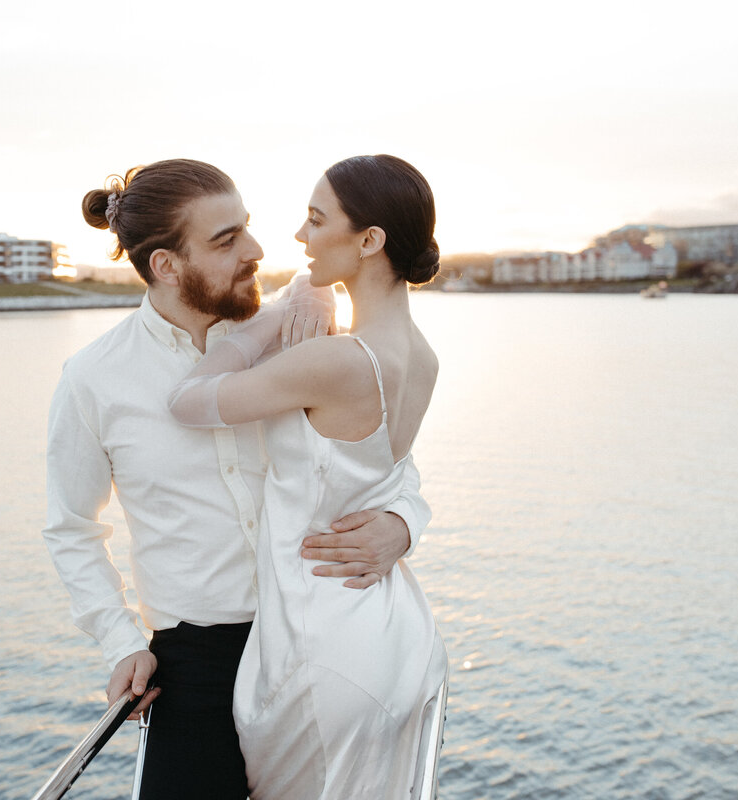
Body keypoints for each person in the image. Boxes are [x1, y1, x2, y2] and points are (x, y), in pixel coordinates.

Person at [42, 158, 432, 798]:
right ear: (167, 265)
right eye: (226, 241)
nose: (256, 251)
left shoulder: (300, 332)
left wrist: (401, 524)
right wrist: (119, 641)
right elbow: (72, 528)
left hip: (321, 639)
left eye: (246, 229)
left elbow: (382, 452)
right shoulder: (93, 379)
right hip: (194, 666)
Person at [167, 154, 449, 798]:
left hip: (321, 645)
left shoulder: (336, 360)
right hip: (393, 629)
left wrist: (285, 305)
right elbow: (387, 477)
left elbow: (188, 401)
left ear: (369, 240)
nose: (299, 236)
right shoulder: (424, 357)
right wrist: (405, 525)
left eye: (317, 220)